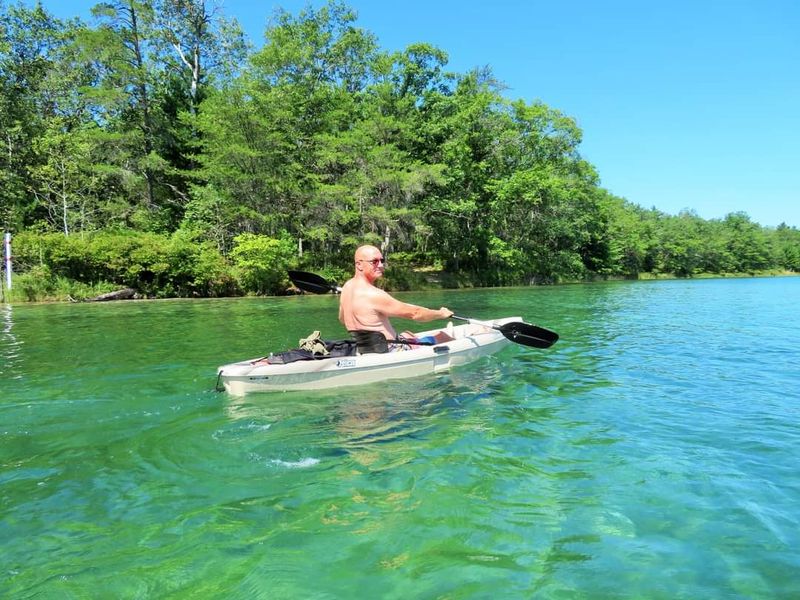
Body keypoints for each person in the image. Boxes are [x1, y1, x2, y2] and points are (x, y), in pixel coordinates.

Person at [339, 245, 454, 352]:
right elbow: (415, 313)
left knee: (408, 334)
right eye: (374, 262)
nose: (380, 265)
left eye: (382, 261)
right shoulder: (374, 294)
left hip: (364, 349)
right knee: (442, 336)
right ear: (359, 265)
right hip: (390, 350)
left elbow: (342, 319)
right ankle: (451, 336)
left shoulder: (347, 288)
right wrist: (441, 313)